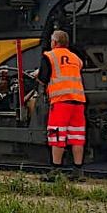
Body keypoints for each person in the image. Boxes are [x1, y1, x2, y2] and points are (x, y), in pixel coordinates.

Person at [38, 29, 87, 180]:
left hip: (60, 102)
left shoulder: (49, 56)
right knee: (77, 136)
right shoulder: (76, 58)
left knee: (57, 135)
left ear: (54, 42)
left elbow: (43, 79)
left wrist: (37, 75)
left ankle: (55, 171)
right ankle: (78, 171)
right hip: (78, 102)